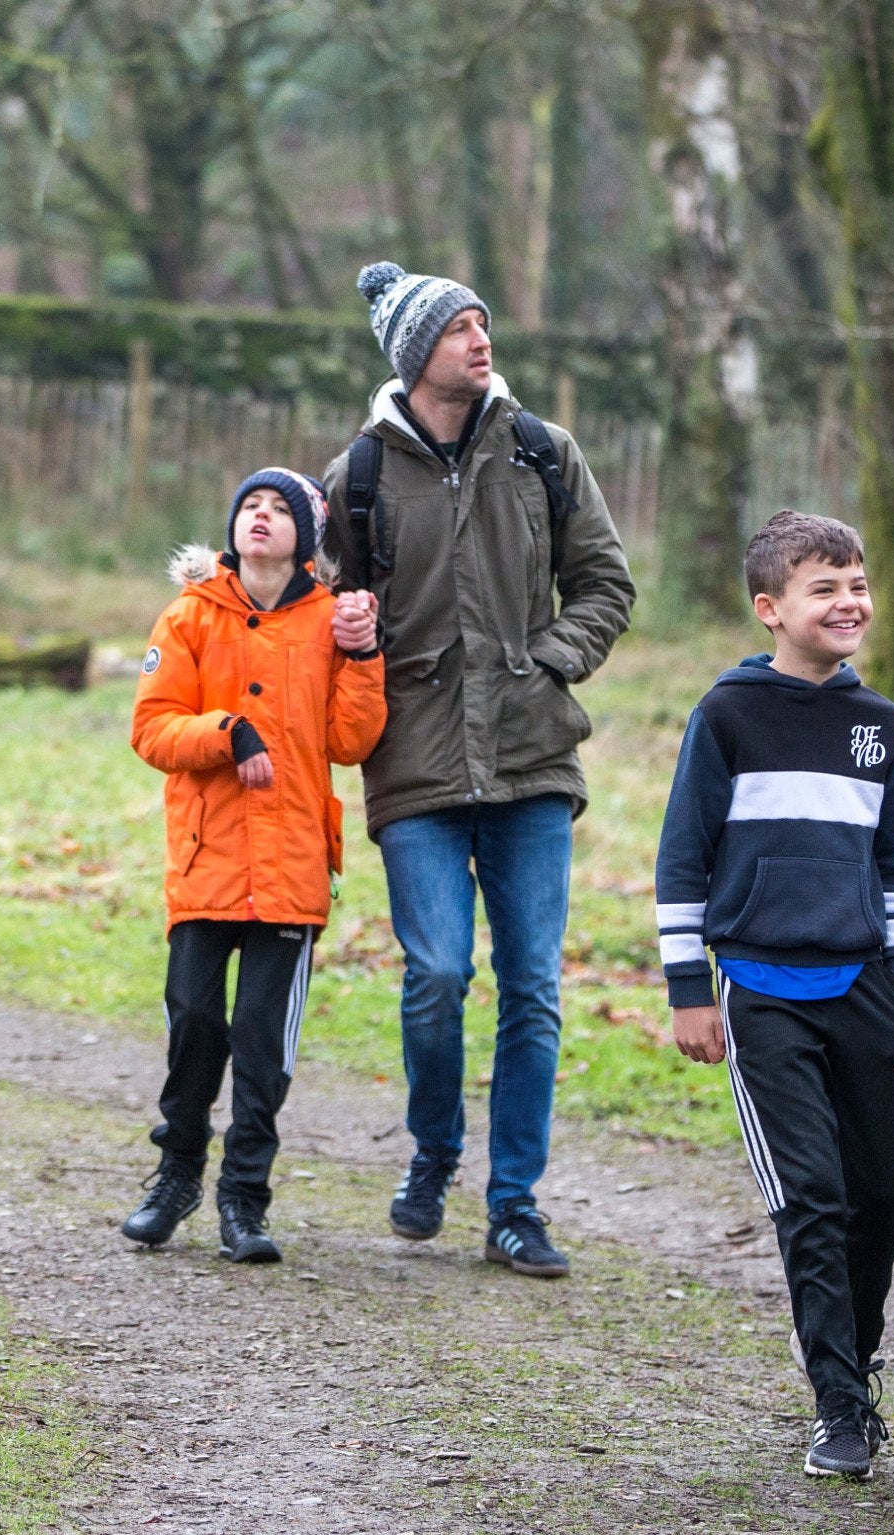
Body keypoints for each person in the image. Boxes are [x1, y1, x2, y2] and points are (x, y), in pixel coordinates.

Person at [323, 262, 636, 1279]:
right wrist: (350, 636)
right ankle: (432, 1154)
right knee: (439, 975)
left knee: (533, 989)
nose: (481, 338)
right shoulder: (358, 477)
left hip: (531, 756)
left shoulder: (544, 452)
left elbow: (606, 583)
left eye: (483, 321)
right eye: (460, 326)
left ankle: (515, 1205)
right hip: (411, 758)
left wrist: (549, 660)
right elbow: (321, 622)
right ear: (417, 355)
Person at [656, 511, 894, 1481]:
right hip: (763, 991)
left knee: (881, 1197)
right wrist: (692, 990)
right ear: (771, 608)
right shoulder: (727, 717)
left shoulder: (879, 725)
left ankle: (854, 1358)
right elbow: (683, 859)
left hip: (866, 991)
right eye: (826, 586)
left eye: (857, 582)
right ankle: (840, 1403)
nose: (849, 600)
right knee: (811, 1199)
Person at [123, 469, 385, 1264]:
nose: (260, 518)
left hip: (293, 870)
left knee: (263, 1044)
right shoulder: (190, 615)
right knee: (196, 1022)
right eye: (249, 507)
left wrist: (365, 652)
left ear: (307, 535)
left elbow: (352, 740)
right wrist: (227, 731)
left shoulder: (328, 622)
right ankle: (175, 1175)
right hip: (207, 862)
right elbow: (151, 728)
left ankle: (245, 1198)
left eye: (278, 510)